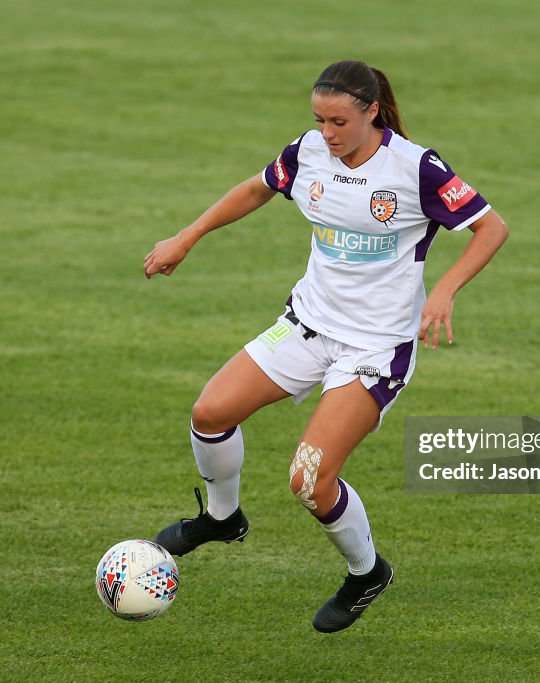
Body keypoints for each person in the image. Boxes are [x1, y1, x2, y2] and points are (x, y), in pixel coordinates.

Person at [143, 60, 508, 633]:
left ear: (372, 112)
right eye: (319, 119)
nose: (327, 133)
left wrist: (444, 290)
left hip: (375, 348)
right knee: (209, 414)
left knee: (309, 481)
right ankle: (221, 518)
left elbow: (492, 227)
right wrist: (187, 236)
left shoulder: (417, 170)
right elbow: (257, 188)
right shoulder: (309, 151)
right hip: (308, 324)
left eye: (339, 121)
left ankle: (367, 572)